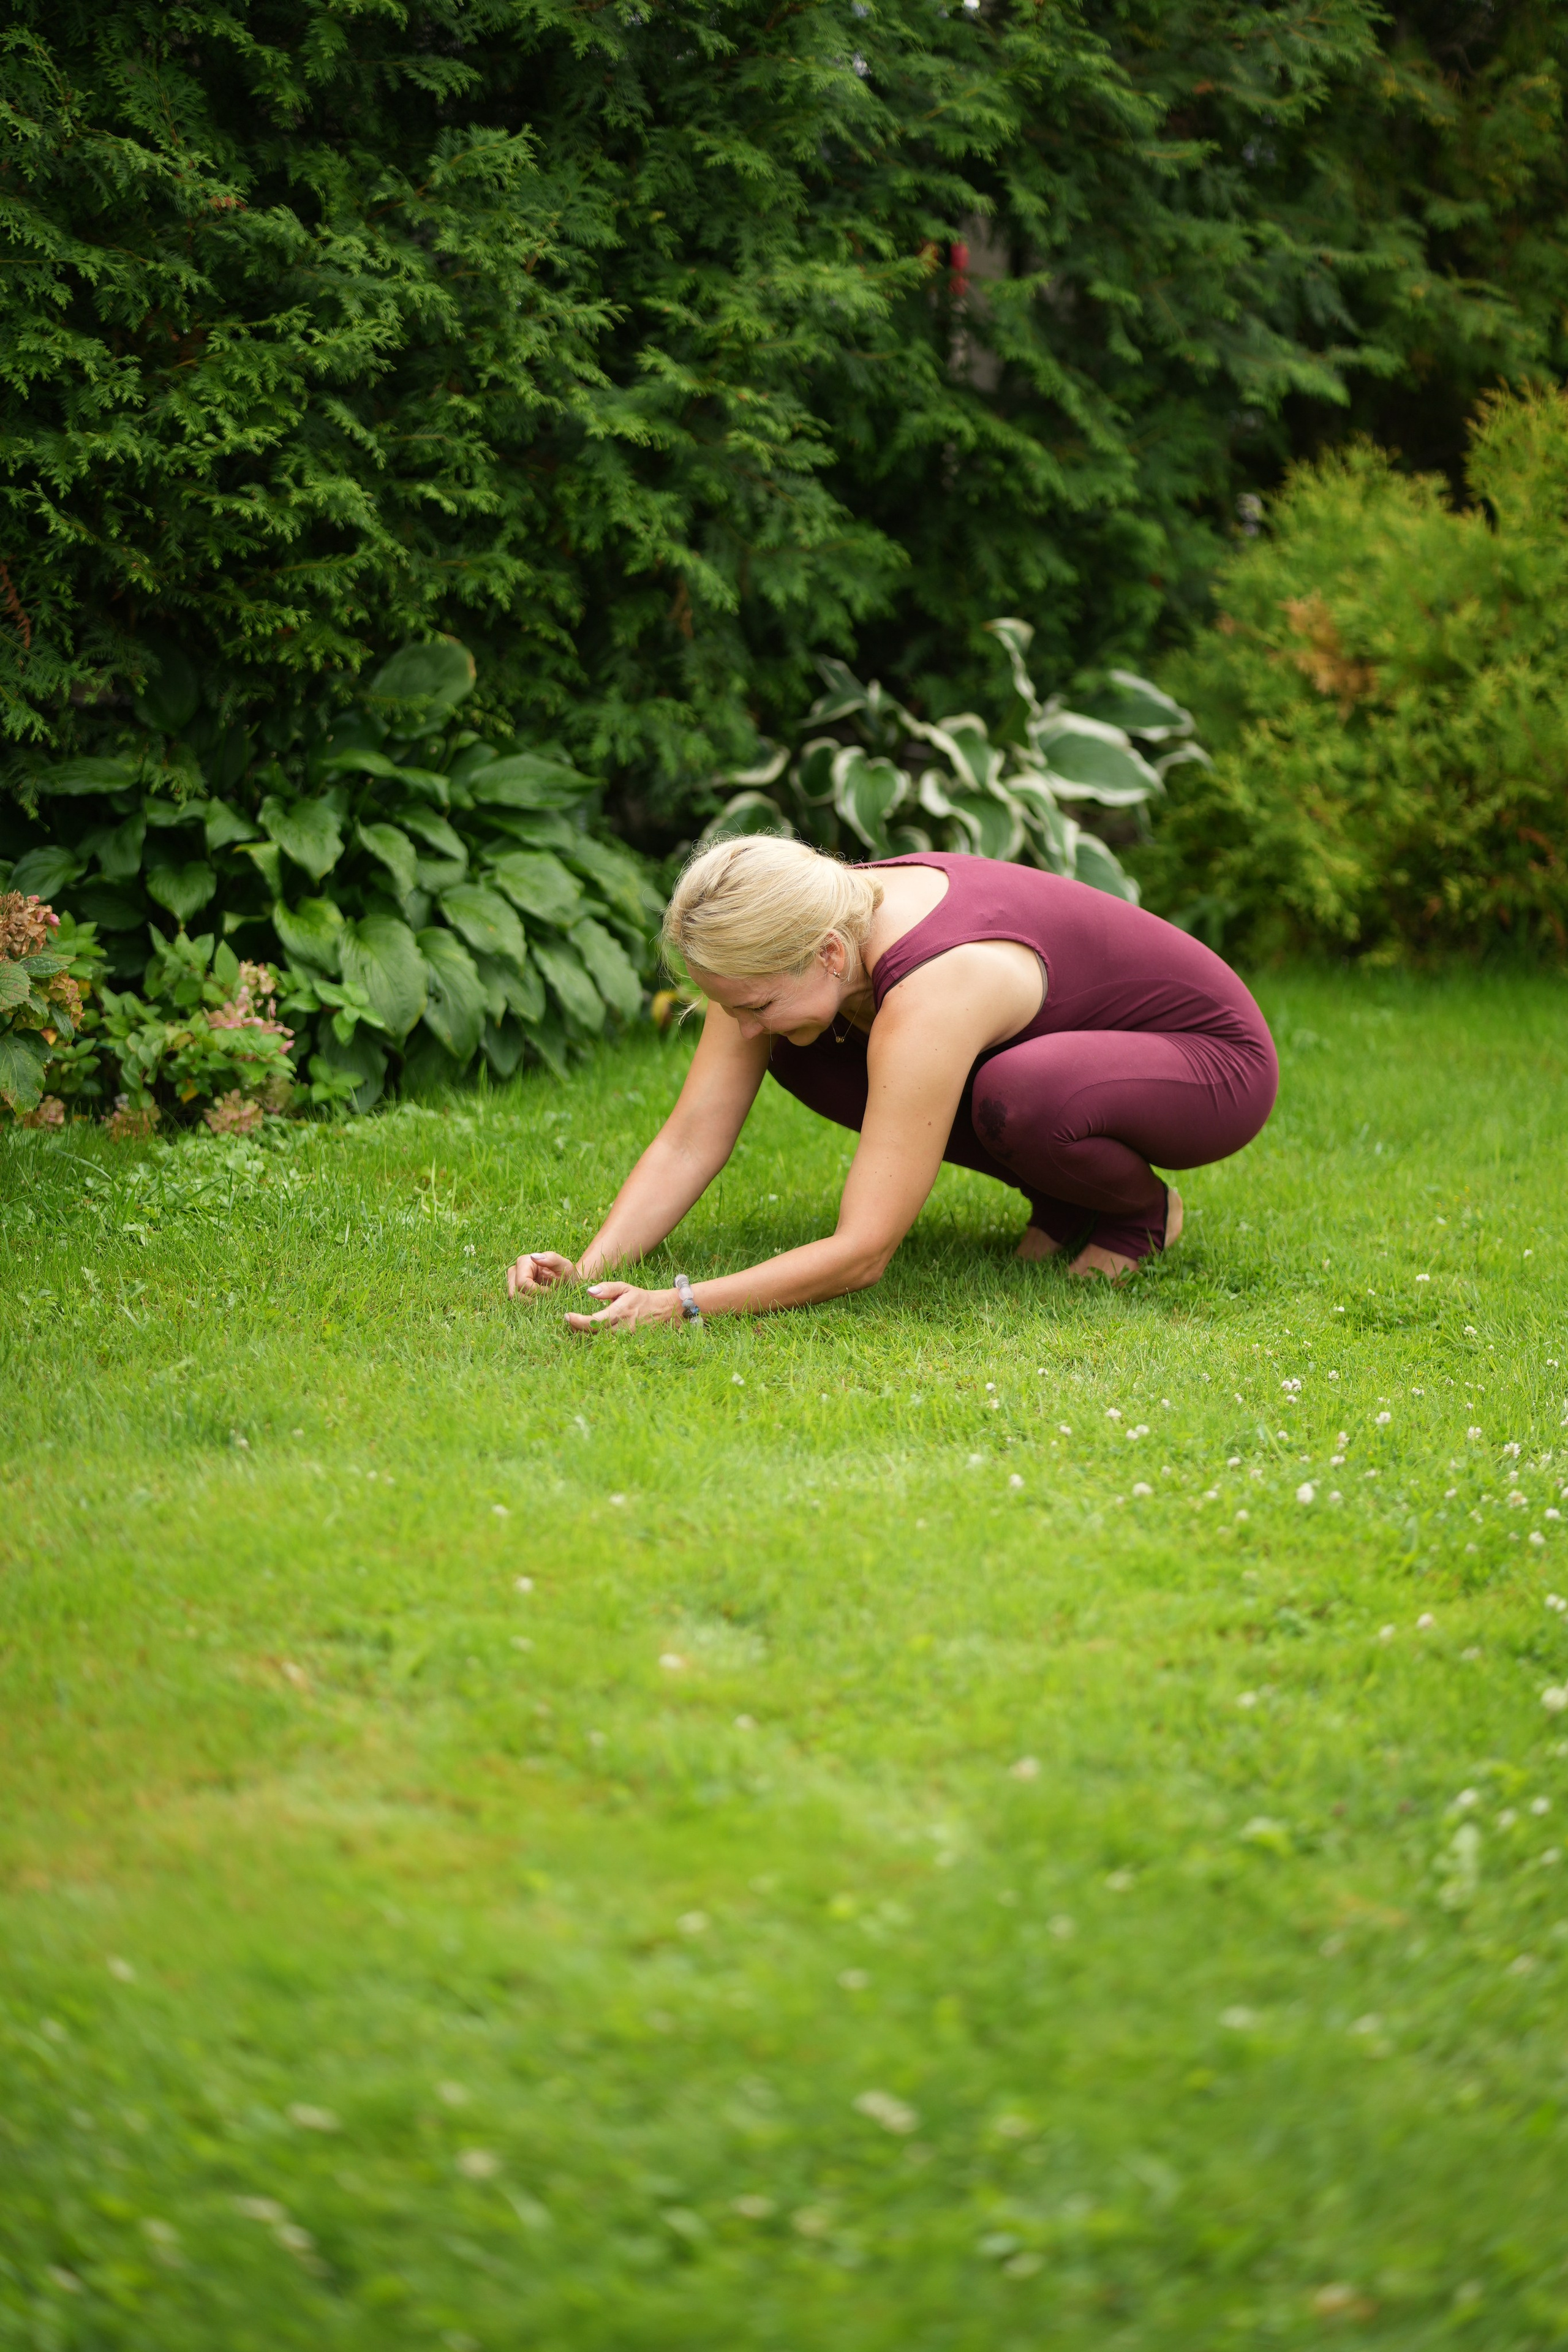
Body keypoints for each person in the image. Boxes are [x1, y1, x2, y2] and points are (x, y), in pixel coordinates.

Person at [505, 839, 1278, 1333]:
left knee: (1022, 1093)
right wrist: (593, 1265)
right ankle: (1064, 1196)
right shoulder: (778, 946)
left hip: (1209, 1067)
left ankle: (1136, 1214)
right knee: (802, 1044)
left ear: (832, 955)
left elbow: (863, 1252)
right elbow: (689, 1139)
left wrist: (683, 1303)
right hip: (1071, 1055)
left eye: (753, 1005)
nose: (740, 1029)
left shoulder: (934, 986)